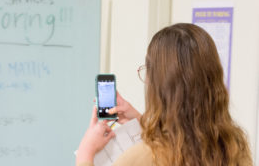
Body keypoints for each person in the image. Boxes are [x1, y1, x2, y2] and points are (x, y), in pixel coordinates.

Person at [76, 23, 253, 166]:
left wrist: (85, 153)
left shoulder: (145, 156)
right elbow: (186, 132)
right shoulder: (234, 147)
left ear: (159, 85)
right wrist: (140, 120)